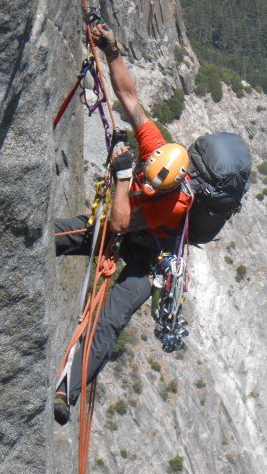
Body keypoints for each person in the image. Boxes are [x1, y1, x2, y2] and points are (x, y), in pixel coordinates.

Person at [54, 24, 193, 425]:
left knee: (111, 318)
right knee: (72, 233)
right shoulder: (156, 148)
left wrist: (121, 176)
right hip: (130, 228)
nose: (145, 182)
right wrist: (113, 52)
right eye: (143, 176)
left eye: (149, 182)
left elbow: (117, 224)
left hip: (148, 257)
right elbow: (129, 98)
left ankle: (68, 390)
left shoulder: (173, 206)